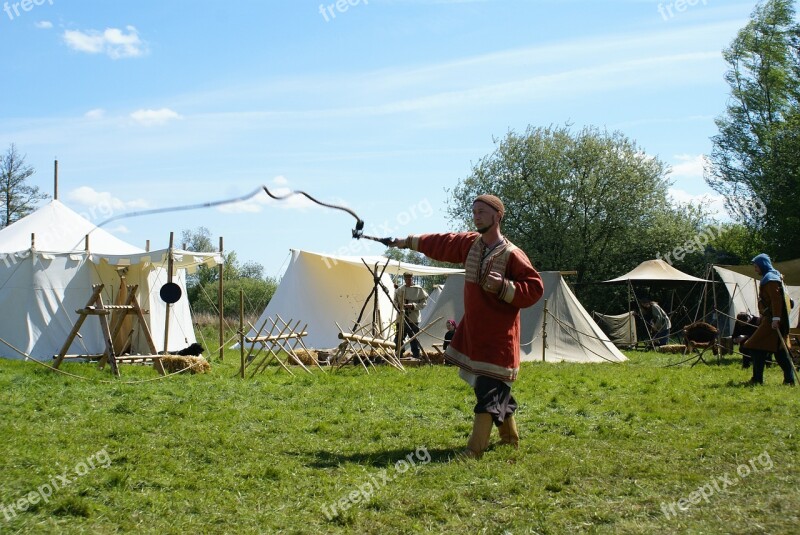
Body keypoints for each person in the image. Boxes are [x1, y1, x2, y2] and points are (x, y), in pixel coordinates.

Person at [389, 194, 544, 458]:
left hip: (498, 338)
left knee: (487, 391)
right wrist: (405, 242)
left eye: (482, 211)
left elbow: (534, 288)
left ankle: (474, 450)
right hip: (475, 333)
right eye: (474, 211)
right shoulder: (470, 244)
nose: (476, 216)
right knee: (494, 389)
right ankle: (510, 439)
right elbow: (441, 243)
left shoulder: (512, 254)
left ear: (498, 216)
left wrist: (505, 287)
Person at [742, 254, 796, 385]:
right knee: (779, 351)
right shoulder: (774, 276)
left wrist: (776, 318)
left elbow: (777, 301)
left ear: (762, 265)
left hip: (774, 321)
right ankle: (789, 380)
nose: (755, 270)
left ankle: (757, 379)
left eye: (756, 267)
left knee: (754, 346)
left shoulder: (771, 279)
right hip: (772, 319)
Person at [393, 272, 428, 360]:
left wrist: (413, 306)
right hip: (401, 317)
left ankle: (416, 356)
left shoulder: (419, 290)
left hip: (413, 318)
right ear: (404, 279)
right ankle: (398, 355)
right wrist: (400, 306)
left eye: (410, 279)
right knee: (399, 337)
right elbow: (394, 301)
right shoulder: (400, 290)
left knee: (414, 338)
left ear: (412, 278)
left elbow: (424, 303)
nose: (408, 281)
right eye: (406, 279)